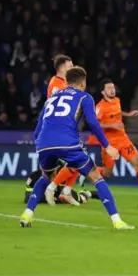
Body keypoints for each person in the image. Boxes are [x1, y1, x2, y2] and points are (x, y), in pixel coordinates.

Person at [20, 66, 133, 230]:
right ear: (82, 83)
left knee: (46, 176)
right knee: (96, 176)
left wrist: (40, 144)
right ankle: (117, 221)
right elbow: (93, 123)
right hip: (67, 142)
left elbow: (39, 124)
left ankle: (27, 214)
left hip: (44, 143)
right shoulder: (84, 97)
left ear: (67, 82)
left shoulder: (52, 97)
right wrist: (107, 146)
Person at [53, 79, 138, 200]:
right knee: (107, 173)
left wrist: (128, 114)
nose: (112, 90)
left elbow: (117, 112)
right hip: (109, 144)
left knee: (137, 163)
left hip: (123, 139)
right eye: (109, 88)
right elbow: (93, 123)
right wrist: (112, 125)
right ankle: (87, 171)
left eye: (113, 88)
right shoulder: (100, 107)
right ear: (103, 92)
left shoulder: (117, 100)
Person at [45, 54, 80, 204]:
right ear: (62, 68)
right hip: (57, 130)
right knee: (78, 158)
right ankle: (53, 188)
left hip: (64, 129)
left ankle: (64, 191)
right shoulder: (57, 84)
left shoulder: (65, 83)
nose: (73, 68)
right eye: (70, 65)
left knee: (78, 159)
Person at [24, 170, 98, 205]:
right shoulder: (34, 176)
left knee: (82, 200)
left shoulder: (60, 176)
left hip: (62, 193)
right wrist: (57, 199)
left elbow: (63, 192)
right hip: (56, 196)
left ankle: (87, 193)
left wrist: (59, 198)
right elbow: (28, 197)